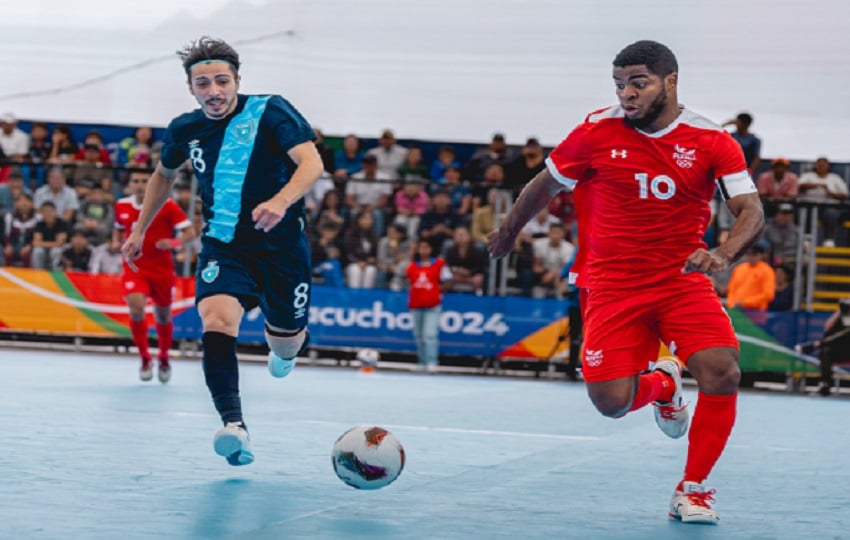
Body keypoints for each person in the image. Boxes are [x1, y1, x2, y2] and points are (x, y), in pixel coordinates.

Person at [487, 40, 764, 524]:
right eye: (620, 84)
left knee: (723, 371)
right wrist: (509, 232)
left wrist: (722, 253)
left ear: (670, 81)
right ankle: (664, 384)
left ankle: (693, 489)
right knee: (610, 403)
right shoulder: (595, 131)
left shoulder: (712, 139)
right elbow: (544, 184)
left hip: (681, 278)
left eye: (639, 83)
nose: (628, 94)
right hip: (611, 283)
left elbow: (751, 210)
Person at [121, 37, 323, 466]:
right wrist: (140, 229)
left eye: (221, 81)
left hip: (282, 248)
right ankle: (234, 426)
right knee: (215, 319)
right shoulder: (184, 128)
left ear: (237, 81)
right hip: (224, 246)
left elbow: (311, 163)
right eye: (203, 83)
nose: (213, 90)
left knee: (286, 342)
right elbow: (163, 175)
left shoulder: (271, 110)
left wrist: (281, 201)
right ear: (191, 89)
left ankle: (284, 349)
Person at [115, 169, 193, 382]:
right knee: (136, 308)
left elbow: (190, 232)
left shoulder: (167, 205)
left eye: (143, 181)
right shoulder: (121, 205)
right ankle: (144, 358)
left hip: (162, 269)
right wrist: (116, 242)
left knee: (163, 316)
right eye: (135, 181)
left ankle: (165, 357)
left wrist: (174, 243)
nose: (139, 184)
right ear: (130, 184)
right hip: (134, 267)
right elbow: (118, 228)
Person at [405, 238, 452, 372]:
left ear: (431, 249)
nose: (423, 250)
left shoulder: (439, 264)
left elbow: (448, 281)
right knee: (419, 335)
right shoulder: (412, 266)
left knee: (429, 335)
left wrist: (437, 292)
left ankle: (432, 361)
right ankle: (422, 362)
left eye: (426, 247)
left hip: (432, 305)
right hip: (416, 305)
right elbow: (409, 282)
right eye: (421, 247)